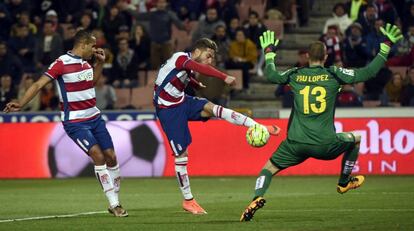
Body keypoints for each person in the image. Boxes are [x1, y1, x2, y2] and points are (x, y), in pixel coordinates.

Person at [240, 24, 402, 222]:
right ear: (326, 57)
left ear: (307, 57)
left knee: (268, 169)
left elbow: (272, 75)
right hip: (325, 145)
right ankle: (344, 182)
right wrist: (385, 47)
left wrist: (269, 52)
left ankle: (257, 196)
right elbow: (367, 73)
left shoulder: (296, 74)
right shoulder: (334, 74)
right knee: (356, 139)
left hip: (295, 144)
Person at [3, 30, 128, 217]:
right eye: (92, 46)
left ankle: (115, 200)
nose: (95, 49)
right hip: (76, 122)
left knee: (111, 157)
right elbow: (38, 84)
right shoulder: (61, 63)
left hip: (94, 117)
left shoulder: (86, 63)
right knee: (98, 156)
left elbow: (90, 82)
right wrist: (21, 102)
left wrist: (100, 64)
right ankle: (115, 203)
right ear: (83, 44)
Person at [154, 38, 280, 215]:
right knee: (182, 155)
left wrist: (195, 83)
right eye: (208, 56)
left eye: (212, 58)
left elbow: (178, 75)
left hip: (182, 101)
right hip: (168, 110)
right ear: (197, 51)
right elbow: (199, 68)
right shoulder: (180, 58)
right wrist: (224, 76)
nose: (210, 61)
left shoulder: (185, 64)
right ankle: (188, 200)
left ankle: (258, 125)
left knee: (215, 109)